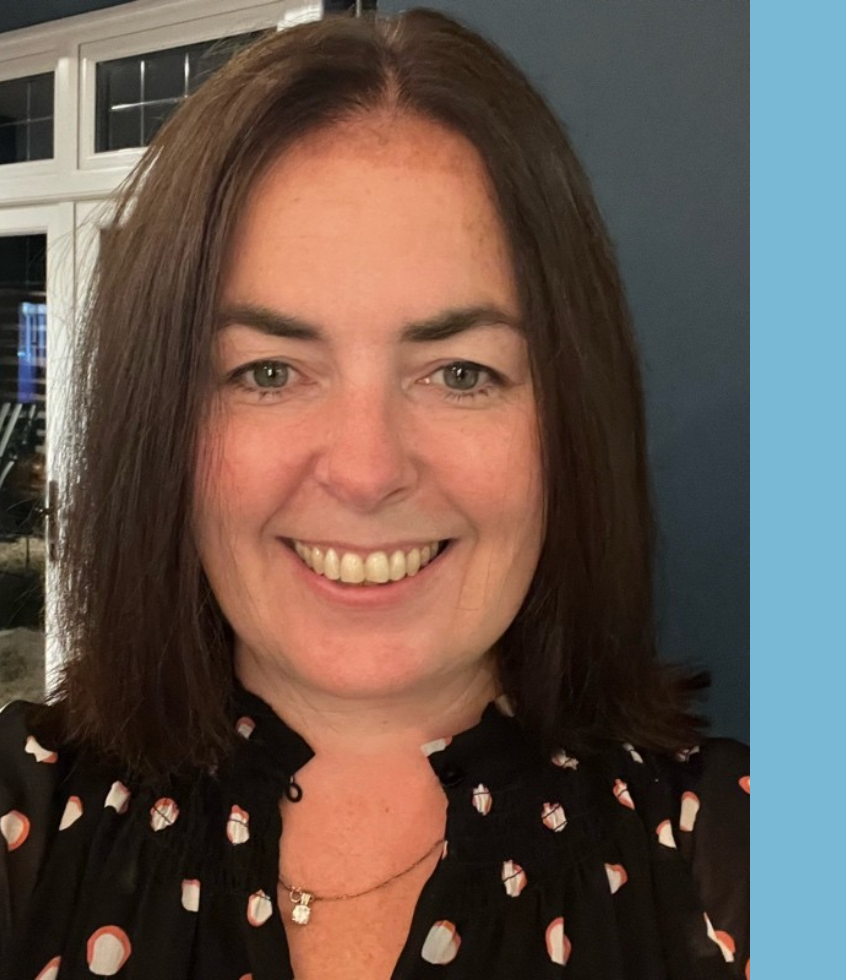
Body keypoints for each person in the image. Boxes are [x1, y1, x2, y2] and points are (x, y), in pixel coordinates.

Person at [0, 10, 747, 979]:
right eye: (268, 371)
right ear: (162, 424)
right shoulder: (23, 827)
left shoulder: (736, 856)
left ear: (571, 420)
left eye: (462, 372)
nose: (364, 470)